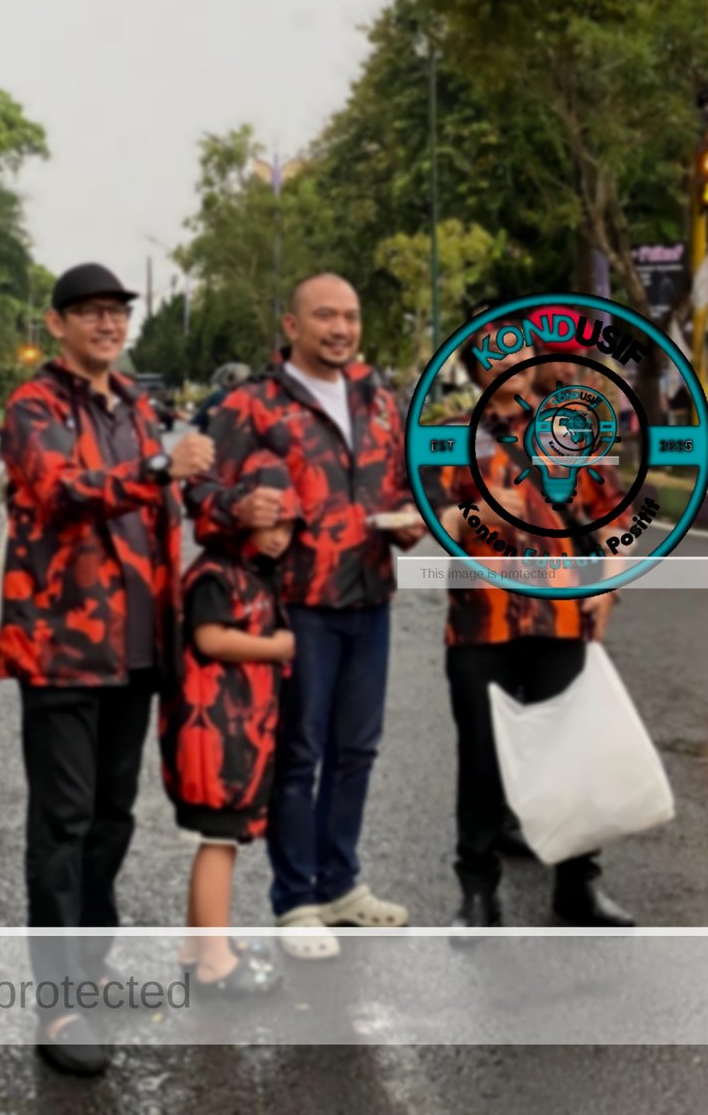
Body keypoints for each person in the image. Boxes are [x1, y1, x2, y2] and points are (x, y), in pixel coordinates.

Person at [0, 263, 215, 1076]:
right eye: (89, 312)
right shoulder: (34, 406)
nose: (106, 324)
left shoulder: (135, 404)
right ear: (58, 324)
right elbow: (60, 491)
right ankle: (58, 1005)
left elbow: (174, 504)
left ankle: (90, 969)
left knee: (115, 819)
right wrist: (161, 467)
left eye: (116, 312)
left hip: (136, 649)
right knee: (63, 824)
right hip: (61, 650)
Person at [190, 272, 425, 961]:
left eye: (350, 316)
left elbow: (409, 478)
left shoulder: (380, 398)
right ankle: (294, 897)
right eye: (325, 316)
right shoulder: (251, 405)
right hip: (294, 604)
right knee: (299, 753)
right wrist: (241, 510)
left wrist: (412, 519)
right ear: (291, 326)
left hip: (370, 596)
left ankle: (340, 882)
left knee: (357, 749)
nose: (341, 329)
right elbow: (200, 494)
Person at [422, 339, 638, 930]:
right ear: (476, 370)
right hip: (480, 620)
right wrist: (475, 517)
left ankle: (578, 889)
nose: (508, 365)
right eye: (493, 357)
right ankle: (477, 893)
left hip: (561, 617)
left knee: (571, 751)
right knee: (483, 759)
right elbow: (424, 519)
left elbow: (616, 518)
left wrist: (606, 587)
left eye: (517, 353)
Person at [162, 451, 301, 997]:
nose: (276, 537)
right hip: (212, 734)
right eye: (268, 524)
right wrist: (275, 647)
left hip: (240, 730)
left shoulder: (253, 572)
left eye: (286, 526)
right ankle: (216, 959)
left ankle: (199, 946)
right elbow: (209, 638)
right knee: (219, 841)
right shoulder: (215, 575)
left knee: (222, 838)